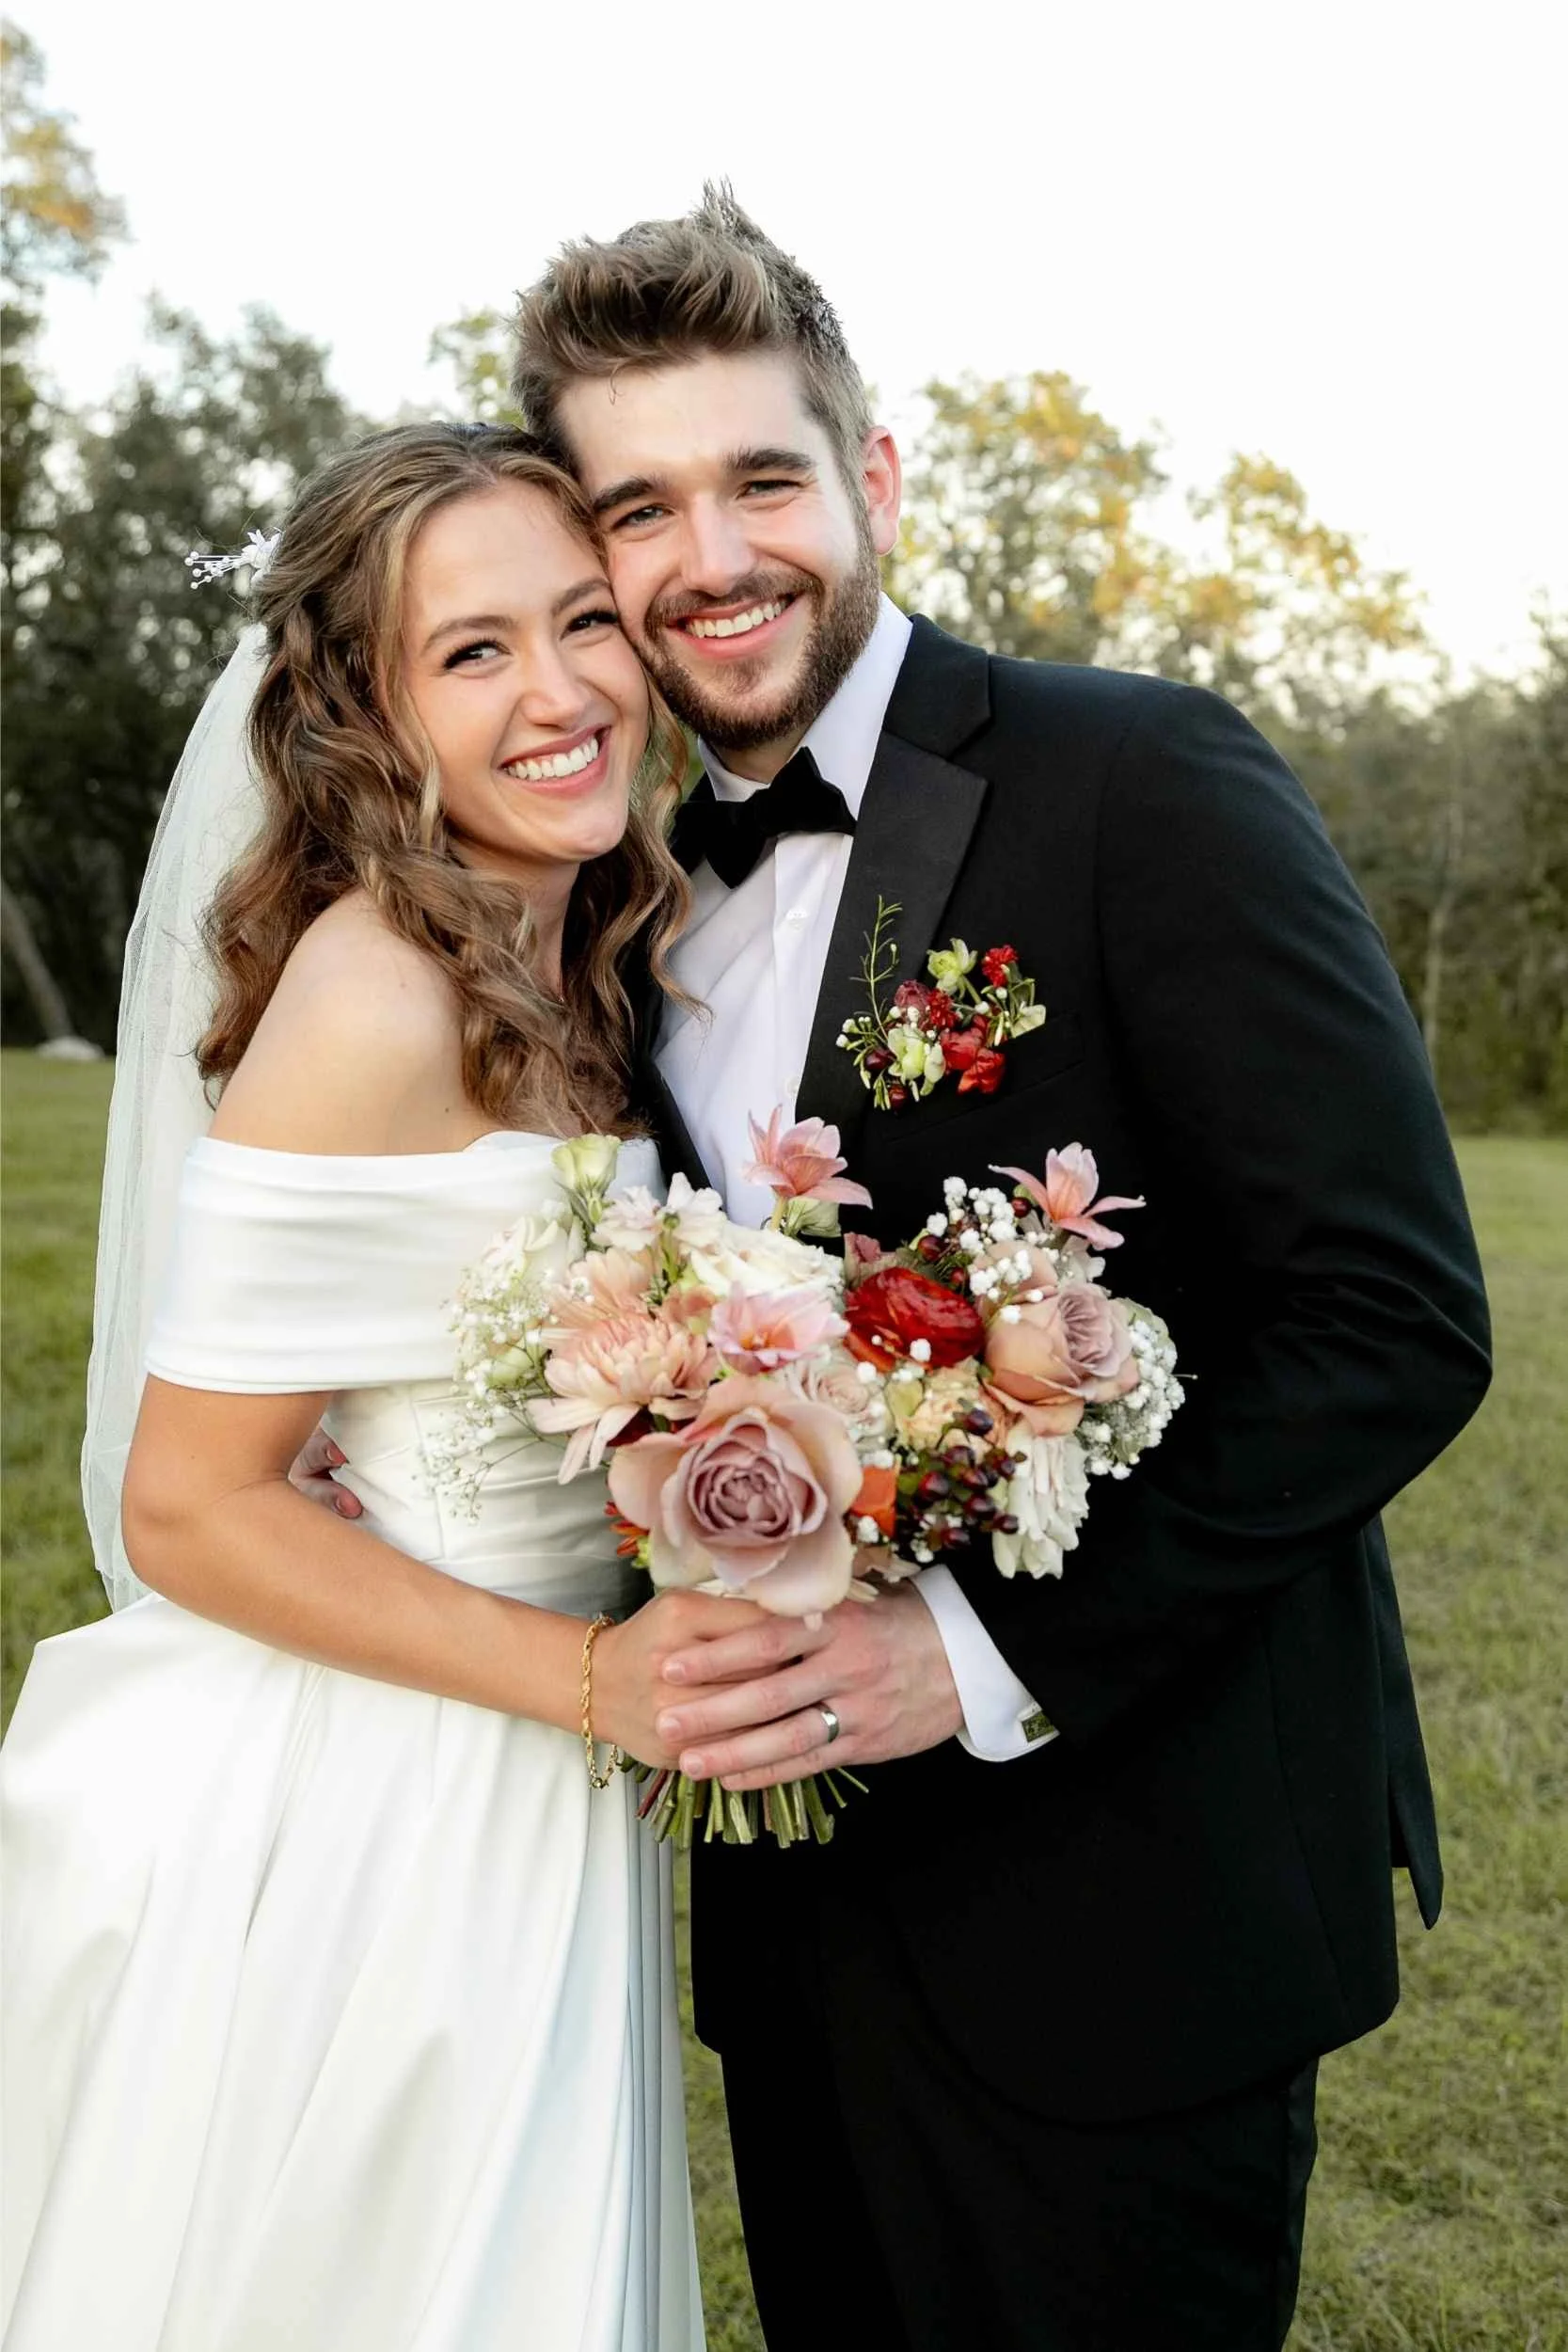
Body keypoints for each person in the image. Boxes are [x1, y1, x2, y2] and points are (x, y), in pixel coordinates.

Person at [501, 192, 1495, 2350]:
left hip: (1134, 1899)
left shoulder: (1138, 776)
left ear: (865, 476)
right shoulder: (620, 904)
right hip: (805, 1925)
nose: (714, 555)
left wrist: (960, 1646)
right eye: (640, 507)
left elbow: (1388, 1317)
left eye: (761, 476)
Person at [0, 422, 720, 2352]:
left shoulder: (583, 961)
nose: (560, 690)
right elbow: (186, 1503)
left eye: (582, 621)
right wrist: (600, 1680)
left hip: (519, 1770)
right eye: (471, 650)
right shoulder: (377, 990)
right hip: (382, 1808)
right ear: (367, 709)